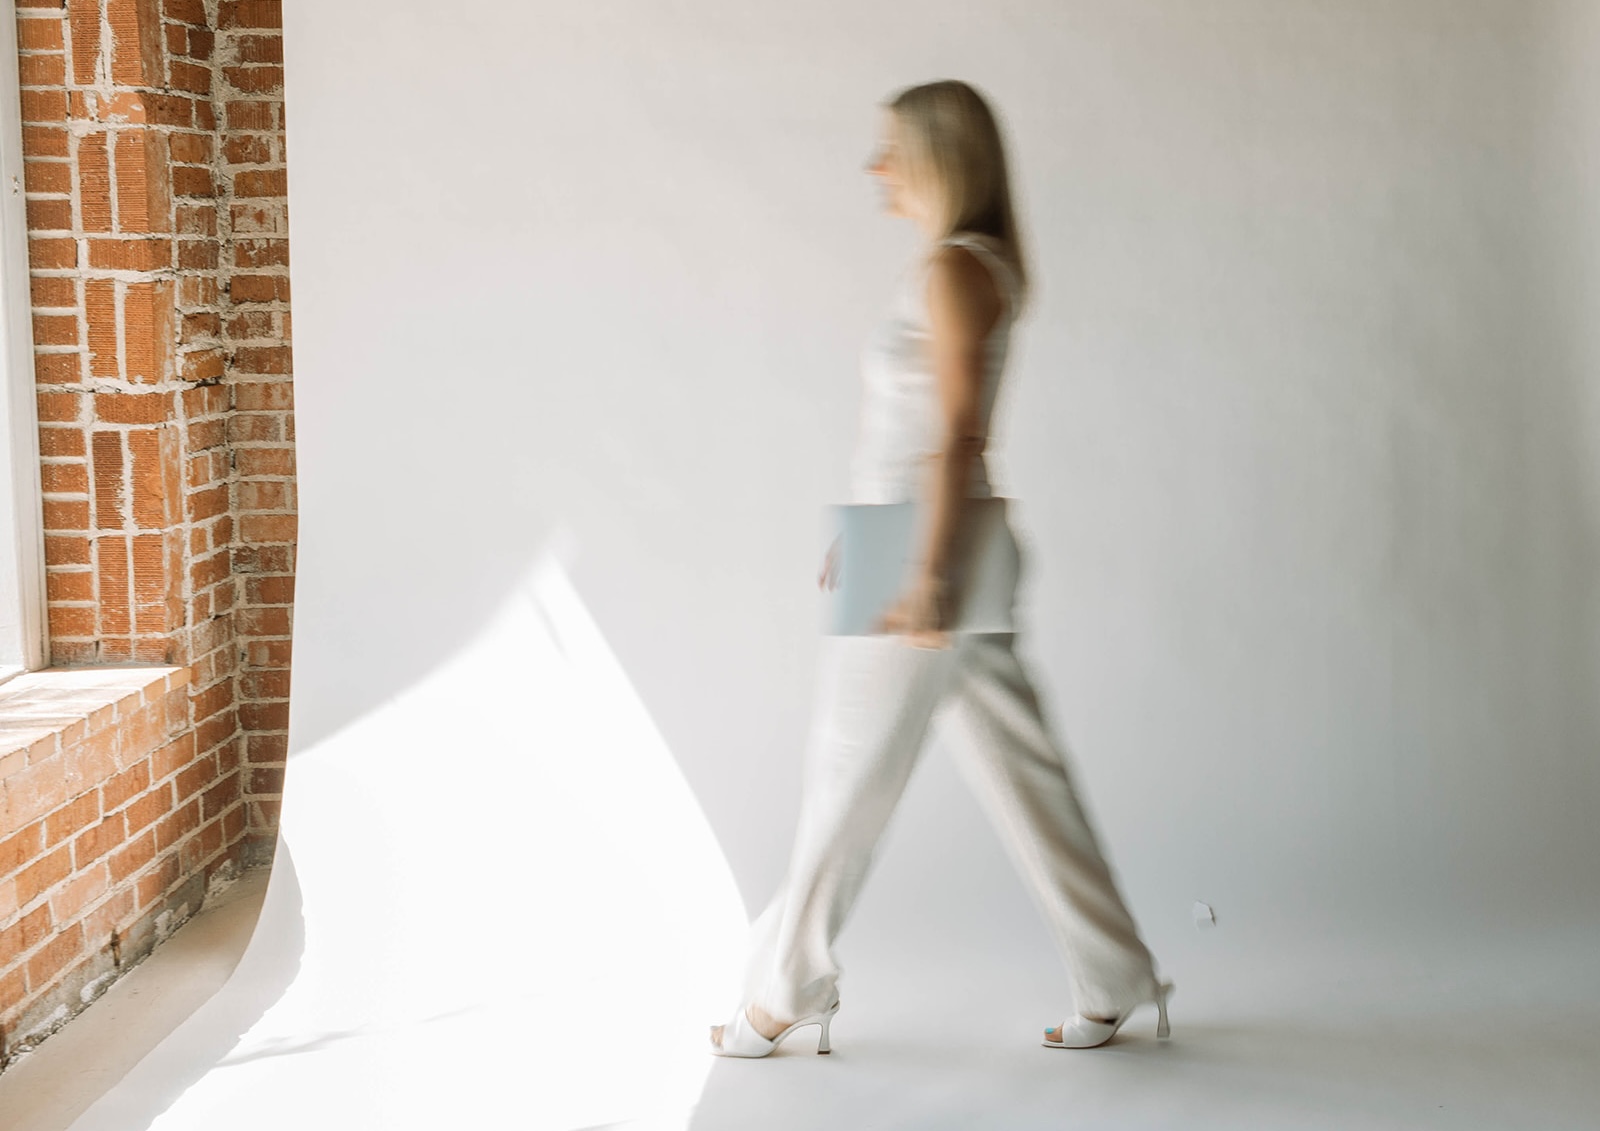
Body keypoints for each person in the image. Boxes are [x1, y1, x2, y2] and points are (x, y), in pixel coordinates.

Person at [709, 79, 1174, 1058]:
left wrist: (923, 571)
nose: (874, 167)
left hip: (931, 552)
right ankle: (1115, 974)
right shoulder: (960, 265)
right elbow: (912, 430)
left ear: (938, 157)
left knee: (844, 781)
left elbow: (961, 431)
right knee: (1024, 775)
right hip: (926, 539)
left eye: (892, 149)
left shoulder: (957, 268)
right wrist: (869, 536)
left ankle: (786, 993)